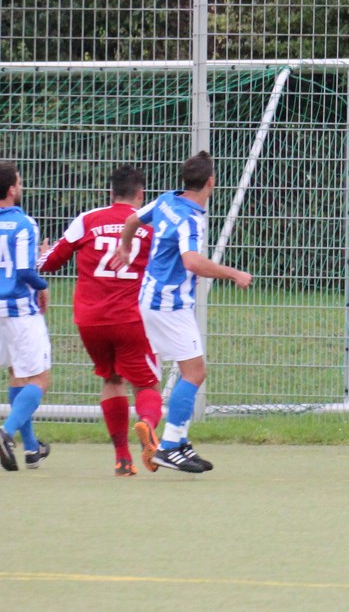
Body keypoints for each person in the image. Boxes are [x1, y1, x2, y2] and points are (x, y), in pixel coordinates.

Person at [111, 151, 252, 474]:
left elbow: (132, 220)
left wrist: (126, 245)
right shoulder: (191, 217)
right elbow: (191, 261)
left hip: (152, 299)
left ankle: (180, 441)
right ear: (211, 182)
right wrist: (233, 274)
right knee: (194, 373)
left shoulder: (164, 200)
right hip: (168, 304)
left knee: (191, 369)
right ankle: (171, 446)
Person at [41, 164, 164, 476]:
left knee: (111, 380)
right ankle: (148, 426)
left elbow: (52, 262)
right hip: (130, 318)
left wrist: (43, 254)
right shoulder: (150, 226)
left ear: (110, 193)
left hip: (90, 320)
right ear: (141, 194)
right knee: (147, 384)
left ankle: (123, 458)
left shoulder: (87, 220)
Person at [0, 161, 51, 473]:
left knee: (18, 373)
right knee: (40, 379)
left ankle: (31, 448)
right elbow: (23, 271)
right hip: (19, 309)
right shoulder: (24, 224)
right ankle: (5, 433)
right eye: (19, 182)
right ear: (12, 189)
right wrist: (43, 285)